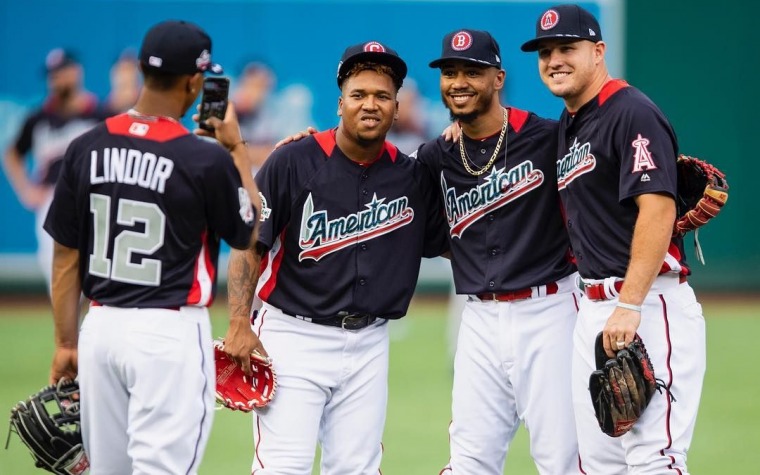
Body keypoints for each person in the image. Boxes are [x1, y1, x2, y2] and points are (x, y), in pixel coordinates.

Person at [44, 20, 260, 474]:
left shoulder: (85, 147)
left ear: (142, 70)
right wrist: (236, 150)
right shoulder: (204, 159)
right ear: (195, 81)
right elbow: (247, 231)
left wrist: (66, 343)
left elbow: (66, 256)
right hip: (168, 335)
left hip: (99, 331)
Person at [225, 41, 447, 474]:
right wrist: (238, 323)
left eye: (382, 96)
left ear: (397, 108)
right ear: (340, 103)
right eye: (359, 95)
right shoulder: (293, 159)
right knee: (282, 467)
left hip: (370, 342)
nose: (370, 105)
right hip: (294, 336)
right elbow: (250, 245)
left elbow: (448, 242)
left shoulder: (412, 176)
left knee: (358, 468)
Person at [521, 4, 705, 473]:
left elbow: (657, 208)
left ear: (598, 51)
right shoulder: (568, 125)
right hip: (593, 311)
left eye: (567, 48)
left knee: (653, 458)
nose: (554, 59)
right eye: (545, 52)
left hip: (645, 305)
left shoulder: (631, 112)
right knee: (599, 464)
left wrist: (630, 303)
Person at [416, 29, 581, 474]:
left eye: (473, 71)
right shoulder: (437, 156)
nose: (459, 81)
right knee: (469, 459)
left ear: (498, 79)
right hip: (480, 319)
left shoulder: (549, 137)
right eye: (450, 72)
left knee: (562, 457)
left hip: (551, 312)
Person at [3, 48, 106, 291]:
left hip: (94, 200)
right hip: (53, 200)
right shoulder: (38, 119)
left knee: (97, 278)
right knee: (60, 282)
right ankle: (68, 329)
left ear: (76, 72)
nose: (57, 79)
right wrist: (26, 190)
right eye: (53, 75)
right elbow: (12, 153)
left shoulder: (100, 115)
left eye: (62, 72)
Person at [231, 60, 316, 171]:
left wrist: (238, 151)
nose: (254, 92)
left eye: (260, 86)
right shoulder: (229, 111)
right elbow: (217, 153)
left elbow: (290, 156)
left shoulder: (285, 111)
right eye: (250, 85)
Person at [103, 49, 142, 114]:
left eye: (128, 70)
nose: (125, 76)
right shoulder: (100, 113)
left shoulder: (148, 114)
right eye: (122, 70)